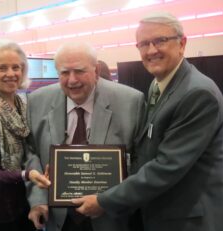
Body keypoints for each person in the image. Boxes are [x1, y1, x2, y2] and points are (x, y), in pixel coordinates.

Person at [72, 12, 223, 231]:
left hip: (190, 219)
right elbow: (150, 144)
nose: (151, 50)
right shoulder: (159, 85)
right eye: (144, 44)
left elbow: (167, 167)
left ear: (182, 44)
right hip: (164, 210)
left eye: (160, 41)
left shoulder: (197, 93)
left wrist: (104, 200)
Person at [25, 42, 145, 231]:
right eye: (64, 73)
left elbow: (141, 160)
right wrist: (38, 200)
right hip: (58, 218)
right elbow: (31, 152)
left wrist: (111, 201)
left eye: (80, 71)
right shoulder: (37, 101)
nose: (72, 80)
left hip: (111, 217)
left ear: (96, 70)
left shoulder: (130, 102)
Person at [0, 39, 49, 231]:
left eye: (16, 67)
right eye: (2, 68)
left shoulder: (22, 105)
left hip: (25, 201)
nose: (11, 74)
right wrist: (26, 174)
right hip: (0, 210)